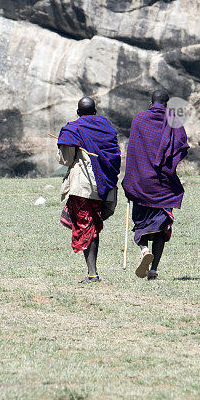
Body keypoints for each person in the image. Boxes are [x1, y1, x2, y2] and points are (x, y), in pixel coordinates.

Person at [122, 89, 190, 280]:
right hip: (163, 183)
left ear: (151, 103)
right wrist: (168, 163)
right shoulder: (173, 120)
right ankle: (153, 270)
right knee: (161, 225)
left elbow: (133, 152)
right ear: (167, 104)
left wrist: (131, 180)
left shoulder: (139, 119)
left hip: (142, 182)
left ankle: (144, 249)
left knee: (141, 221)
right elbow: (181, 146)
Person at [57, 96, 121, 284]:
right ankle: (92, 272)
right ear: (95, 111)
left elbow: (66, 160)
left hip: (83, 187)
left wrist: (63, 148)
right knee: (93, 226)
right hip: (103, 186)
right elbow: (114, 154)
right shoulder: (106, 126)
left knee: (88, 226)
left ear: (78, 112)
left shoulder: (73, 129)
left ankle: (92, 274)